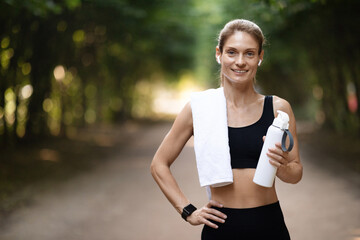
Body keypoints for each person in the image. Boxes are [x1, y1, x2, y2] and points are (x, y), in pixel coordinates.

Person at [150, 19, 303, 240]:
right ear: (219, 54)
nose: (240, 61)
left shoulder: (278, 108)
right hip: (220, 227)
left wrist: (281, 168)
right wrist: (187, 211)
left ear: (260, 57)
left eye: (249, 53)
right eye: (232, 52)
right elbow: (158, 165)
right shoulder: (199, 108)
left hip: (268, 224)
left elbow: (296, 172)